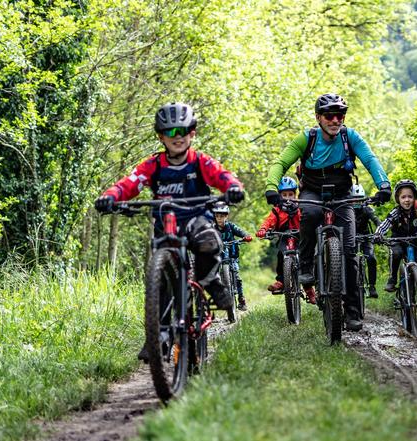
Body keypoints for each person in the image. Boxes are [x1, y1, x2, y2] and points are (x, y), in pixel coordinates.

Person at [95, 102, 245, 361]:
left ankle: (210, 280)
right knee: (160, 278)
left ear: (192, 133)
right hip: (165, 226)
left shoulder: (200, 162)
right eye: (171, 132)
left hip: (196, 219)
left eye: (183, 131)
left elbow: (222, 176)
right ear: (161, 136)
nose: (178, 137)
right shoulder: (153, 165)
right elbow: (130, 183)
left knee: (209, 241)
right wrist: (110, 197)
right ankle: (157, 336)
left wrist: (233, 188)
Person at [264, 93, 393, 331]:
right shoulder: (307, 138)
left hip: (343, 193)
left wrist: (383, 185)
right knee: (310, 214)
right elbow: (280, 163)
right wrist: (272, 188)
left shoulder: (349, 136)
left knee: (349, 251)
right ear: (318, 117)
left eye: (340, 115)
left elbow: (370, 159)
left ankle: (352, 311)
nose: (335, 120)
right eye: (329, 116)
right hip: (312, 190)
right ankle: (306, 266)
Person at [374, 179, 417, 319]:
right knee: (396, 253)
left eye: (410, 197)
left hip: (414, 244)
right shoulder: (395, 213)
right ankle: (392, 278)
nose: (407, 200)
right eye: (403, 197)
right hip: (398, 242)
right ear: (398, 199)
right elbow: (384, 225)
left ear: (414, 198)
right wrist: (378, 234)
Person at [256, 176, 303, 295]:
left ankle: (309, 286)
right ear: (280, 196)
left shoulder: (300, 208)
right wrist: (263, 229)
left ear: (295, 195)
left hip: (300, 236)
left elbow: (306, 220)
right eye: (284, 195)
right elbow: (269, 221)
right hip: (284, 237)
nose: (288, 198)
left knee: (307, 255)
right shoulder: (277, 210)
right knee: (281, 255)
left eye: (290, 194)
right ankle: (281, 281)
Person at [212, 202, 252, 311]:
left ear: (226, 216)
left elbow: (240, 231)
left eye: (222, 216)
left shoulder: (230, 226)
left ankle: (241, 299)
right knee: (213, 276)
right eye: (217, 216)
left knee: (237, 277)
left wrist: (246, 236)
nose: (219, 219)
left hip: (232, 255)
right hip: (218, 256)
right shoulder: (212, 228)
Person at [351, 183, 380, 298]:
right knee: (348, 259)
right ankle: (350, 286)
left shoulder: (367, 209)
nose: (357, 202)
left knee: (371, 257)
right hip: (351, 238)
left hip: (366, 237)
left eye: (359, 199)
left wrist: (379, 231)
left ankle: (372, 286)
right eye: (354, 199)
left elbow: (376, 220)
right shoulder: (347, 210)